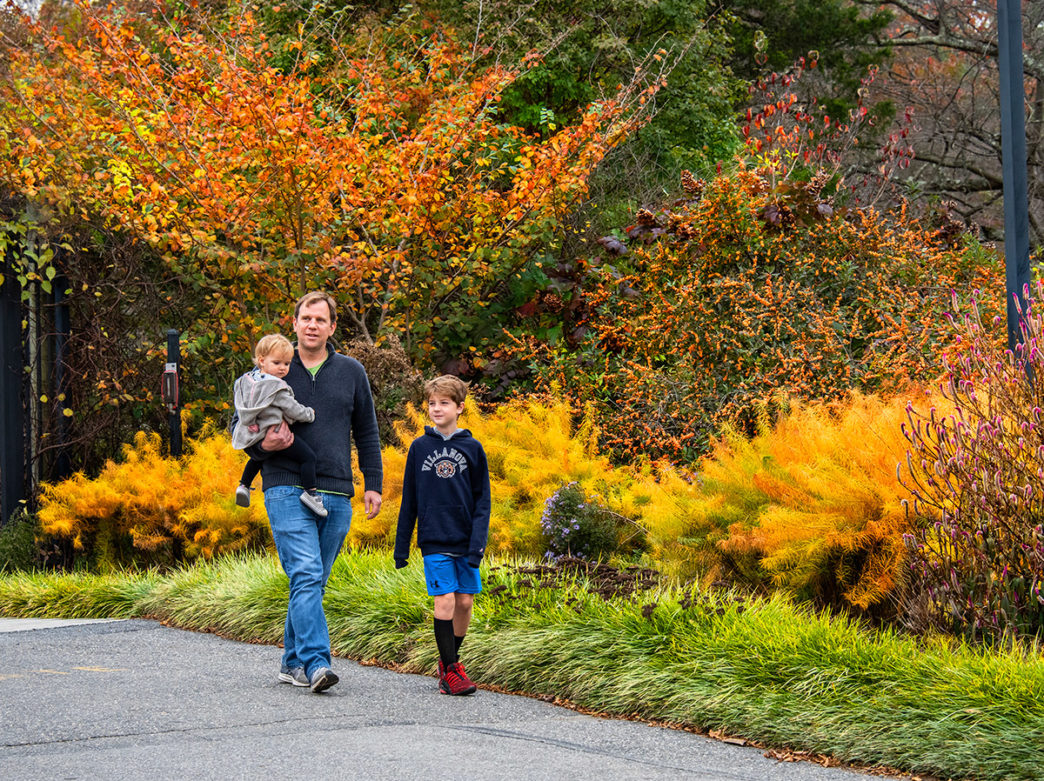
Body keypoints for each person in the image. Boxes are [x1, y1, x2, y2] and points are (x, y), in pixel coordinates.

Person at [236, 291, 383, 694]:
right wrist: (261, 448)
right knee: (305, 572)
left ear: (332, 327)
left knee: (312, 582)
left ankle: (290, 661)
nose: (312, 325)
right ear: (296, 323)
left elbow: (367, 431)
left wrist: (373, 484)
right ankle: (317, 664)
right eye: (306, 318)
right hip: (284, 484)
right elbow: (241, 426)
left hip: (336, 489)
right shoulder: (273, 371)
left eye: (321, 319)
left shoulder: (352, 371)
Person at [393, 375, 491, 696]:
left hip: (465, 541)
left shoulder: (473, 449)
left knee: (464, 601)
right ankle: (450, 671)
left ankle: (451, 661)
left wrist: (477, 544)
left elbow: (482, 503)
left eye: (444, 403)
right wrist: (402, 546)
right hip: (434, 539)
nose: (436, 408)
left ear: (460, 407)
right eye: (432, 403)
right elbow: (410, 499)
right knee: (445, 599)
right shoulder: (420, 448)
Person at [231, 334, 326, 518]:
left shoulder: (247, 382)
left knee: (258, 458)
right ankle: (311, 493)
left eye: (287, 363)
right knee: (308, 457)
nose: (283, 368)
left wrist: (250, 423)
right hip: (277, 432)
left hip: (254, 432)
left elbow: (239, 405)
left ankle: (243, 485)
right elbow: (293, 409)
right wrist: (309, 414)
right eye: (277, 363)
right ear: (261, 361)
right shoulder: (276, 387)